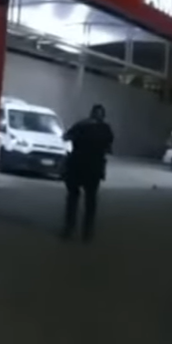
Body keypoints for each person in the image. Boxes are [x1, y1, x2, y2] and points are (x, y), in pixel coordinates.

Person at [60, 104, 114, 242]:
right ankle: (87, 232)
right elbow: (109, 148)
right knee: (91, 200)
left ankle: (69, 229)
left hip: (77, 165)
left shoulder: (81, 125)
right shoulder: (106, 129)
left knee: (73, 198)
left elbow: (65, 137)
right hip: (94, 168)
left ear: (91, 114)